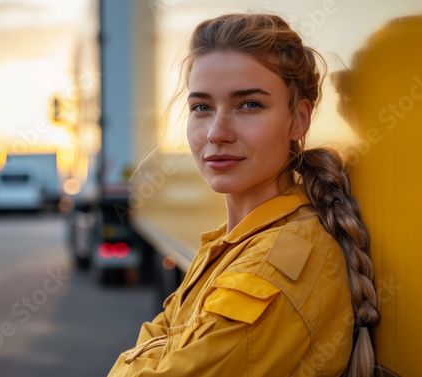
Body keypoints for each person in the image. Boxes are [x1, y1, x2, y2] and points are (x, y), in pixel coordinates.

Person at [108, 13, 380, 377]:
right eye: (201, 107)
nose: (216, 133)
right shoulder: (231, 243)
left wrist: (140, 358)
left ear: (299, 119)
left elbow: (156, 349)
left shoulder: (272, 268)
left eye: (249, 104)